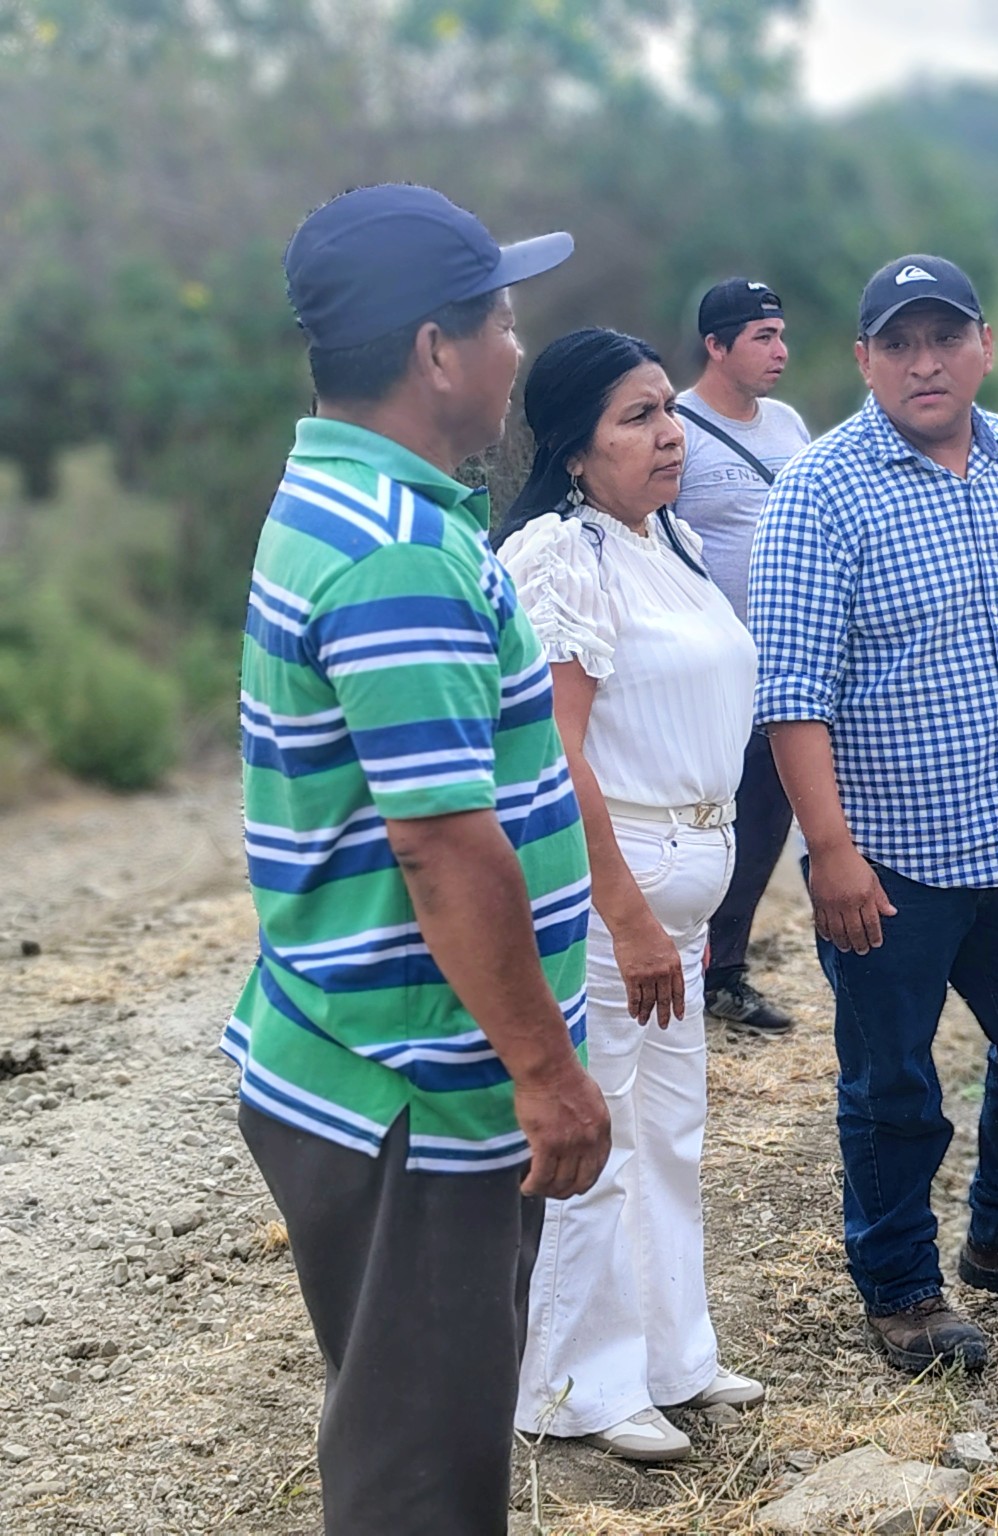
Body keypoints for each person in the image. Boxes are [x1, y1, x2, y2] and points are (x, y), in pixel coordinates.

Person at [226, 184, 608, 1536]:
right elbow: (443, 846)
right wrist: (545, 1074)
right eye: (501, 322)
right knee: (422, 1483)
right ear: (437, 350)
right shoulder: (396, 556)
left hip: (370, 1057)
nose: (517, 349)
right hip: (419, 1092)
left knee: (418, 1430)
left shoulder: (359, 503)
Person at [749, 254, 998, 1375]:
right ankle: (901, 1290)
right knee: (893, 1087)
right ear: (864, 360)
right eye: (899, 344)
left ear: (984, 346)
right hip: (891, 861)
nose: (924, 363)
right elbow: (792, 696)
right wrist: (829, 852)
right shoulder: (819, 493)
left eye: (944, 338)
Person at [496, 328, 764, 1460]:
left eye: (668, 410)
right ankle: (577, 1386)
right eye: (636, 418)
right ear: (574, 448)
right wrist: (626, 910)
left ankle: (671, 1355)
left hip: (688, 872)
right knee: (600, 1127)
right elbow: (557, 755)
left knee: (671, 1129)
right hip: (618, 885)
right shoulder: (563, 556)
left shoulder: (674, 542)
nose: (669, 435)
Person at [670, 277, 811, 1037]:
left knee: (762, 825)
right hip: (706, 672)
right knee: (697, 825)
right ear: (716, 346)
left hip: (783, 666)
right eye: (763, 337)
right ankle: (670, 969)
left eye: (781, 335)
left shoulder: (788, 425)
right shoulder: (676, 426)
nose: (780, 350)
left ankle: (723, 975)